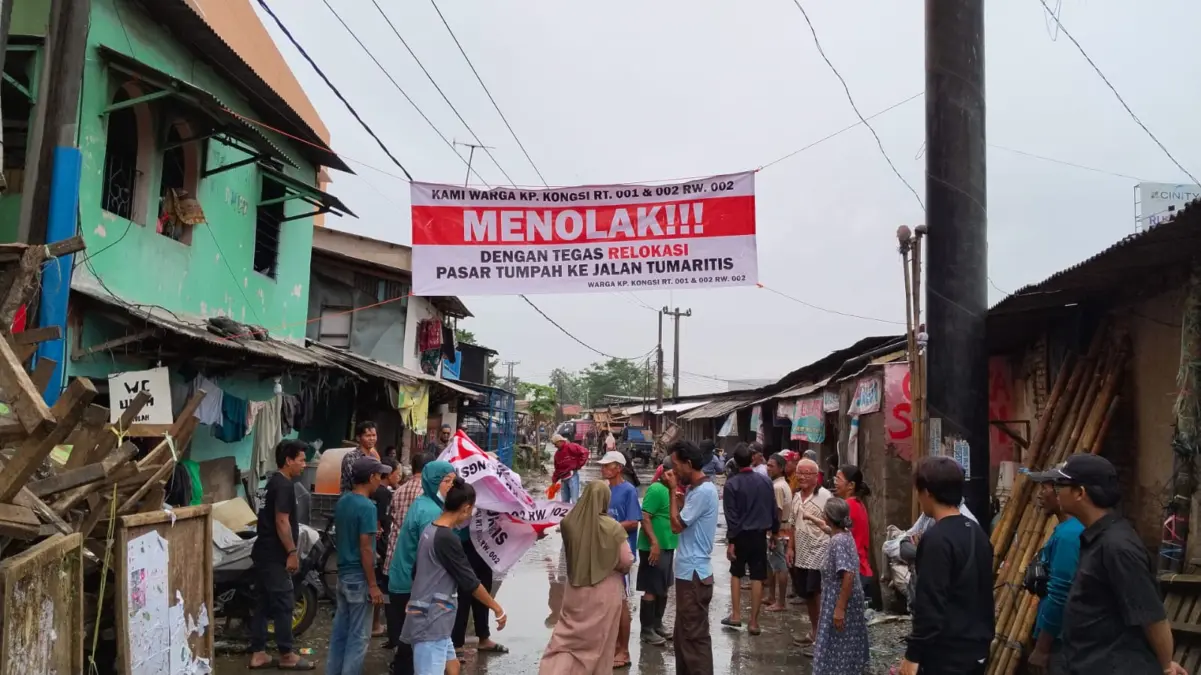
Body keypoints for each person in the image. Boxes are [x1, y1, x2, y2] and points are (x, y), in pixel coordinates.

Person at [1048, 454, 1187, 675]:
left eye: (1061, 485)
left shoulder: (1117, 547)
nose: (1056, 491)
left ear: (1080, 493)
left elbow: (1151, 615)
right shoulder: (1097, 539)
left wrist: (1166, 665)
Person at [401, 478, 506, 675]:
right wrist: (496, 608)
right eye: (472, 509)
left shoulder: (431, 529)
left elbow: (417, 570)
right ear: (466, 509)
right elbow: (470, 581)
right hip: (431, 622)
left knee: (453, 667)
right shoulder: (447, 538)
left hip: (434, 617)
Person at [900, 457, 993, 675]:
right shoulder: (977, 532)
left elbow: (930, 603)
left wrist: (913, 654)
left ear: (927, 492)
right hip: (977, 646)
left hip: (947, 653)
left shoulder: (937, 539)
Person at [539, 480, 636, 674]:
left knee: (567, 638)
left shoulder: (569, 523)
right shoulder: (612, 527)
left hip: (575, 588)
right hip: (604, 592)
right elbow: (626, 560)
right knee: (599, 642)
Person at [248, 440, 315, 670]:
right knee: (285, 602)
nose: (304, 465)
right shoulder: (285, 486)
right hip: (275, 554)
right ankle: (286, 654)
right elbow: (281, 521)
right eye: (301, 459)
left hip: (263, 552)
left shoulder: (270, 483)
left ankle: (259, 653)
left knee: (263, 603)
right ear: (288, 460)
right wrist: (292, 552)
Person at [388, 460, 456, 675]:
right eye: (447, 481)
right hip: (412, 586)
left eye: (454, 481)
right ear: (433, 482)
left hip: (404, 581)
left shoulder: (425, 502)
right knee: (418, 647)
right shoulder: (431, 512)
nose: (451, 486)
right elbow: (430, 556)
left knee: (409, 644)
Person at [327, 457, 391, 675]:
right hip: (359, 577)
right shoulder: (367, 507)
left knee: (340, 635)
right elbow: (365, 548)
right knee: (358, 638)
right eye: (380, 476)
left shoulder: (344, 501)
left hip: (343, 574)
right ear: (372, 477)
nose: (381, 481)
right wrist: (373, 585)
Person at [1024, 462, 1085, 675]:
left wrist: (1042, 648)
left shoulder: (1070, 535)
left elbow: (1060, 594)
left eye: (1046, 488)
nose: (1040, 495)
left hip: (1063, 641)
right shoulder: (1068, 530)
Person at [666, 440, 719, 674]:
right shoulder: (696, 489)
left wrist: (670, 490)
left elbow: (677, 526)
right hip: (691, 573)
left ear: (689, 464)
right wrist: (678, 494)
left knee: (693, 639)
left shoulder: (703, 491)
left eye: (676, 465)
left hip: (694, 573)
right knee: (684, 637)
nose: (674, 470)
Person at [720, 443, 778, 635]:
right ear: (752, 458)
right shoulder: (765, 481)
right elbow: (772, 508)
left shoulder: (732, 484)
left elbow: (731, 516)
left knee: (736, 573)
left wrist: (732, 542)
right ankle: (754, 622)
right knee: (757, 576)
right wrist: (774, 533)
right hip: (759, 535)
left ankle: (736, 615)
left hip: (740, 535)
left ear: (735, 461)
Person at [812, 497, 869, 675]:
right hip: (845, 597)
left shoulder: (838, 542)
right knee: (845, 642)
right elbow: (829, 529)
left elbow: (848, 574)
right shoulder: (844, 534)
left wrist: (839, 608)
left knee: (836, 643)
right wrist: (811, 518)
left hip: (840, 598)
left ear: (829, 516)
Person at [384, 453, 429, 650]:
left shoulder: (398, 491)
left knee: (393, 606)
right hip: (414, 560)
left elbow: (392, 518)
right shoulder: (427, 496)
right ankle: (408, 649)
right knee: (414, 608)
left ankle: (395, 642)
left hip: (394, 554)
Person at [600, 450, 641, 666]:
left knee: (621, 602)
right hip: (606, 551)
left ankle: (623, 651)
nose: (604, 468)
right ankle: (614, 646)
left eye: (608, 466)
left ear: (619, 468)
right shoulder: (605, 489)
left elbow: (633, 521)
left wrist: (608, 527)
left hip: (622, 552)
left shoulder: (628, 491)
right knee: (610, 601)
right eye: (603, 465)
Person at [789, 457, 833, 652]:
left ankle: (822, 639)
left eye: (807, 473)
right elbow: (792, 524)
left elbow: (832, 527)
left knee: (818, 595)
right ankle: (814, 632)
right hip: (802, 555)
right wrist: (790, 548)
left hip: (820, 554)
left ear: (816, 476)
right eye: (800, 473)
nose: (802, 477)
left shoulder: (825, 497)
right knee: (807, 595)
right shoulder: (796, 496)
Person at [637, 457, 677, 646]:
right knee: (651, 588)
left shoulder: (671, 491)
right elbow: (645, 517)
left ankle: (657, 624)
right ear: (665, 473)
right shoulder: (655, 489)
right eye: (672, 473)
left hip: (667, 545)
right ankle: (647, 630)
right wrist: (653, 542)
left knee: (664, 586)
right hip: (653, 548)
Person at [834, 465, 877, 609]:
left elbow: (836, 533)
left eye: (838, 479)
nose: (834, 482)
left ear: (850, 485)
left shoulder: (848, 506)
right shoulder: (858, 503)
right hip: (861, 567)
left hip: (853, 570)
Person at [372, 457, 401, 640]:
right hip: (382, 544)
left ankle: (376, 623)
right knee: (383, 586)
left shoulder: (381, 491)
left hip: (380, 542)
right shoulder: (383, 494)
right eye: (397, 473)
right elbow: (382, 520)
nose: (399, 477)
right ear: (388, 474)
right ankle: (376, 624)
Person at [764, 453, 793, 612]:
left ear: (780, 469)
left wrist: (774, 533)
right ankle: (771, 597)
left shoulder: (777, 487)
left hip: (779, 531)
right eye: (767, 465)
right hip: (779, 529)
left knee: (780, 566)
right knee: (772, 563)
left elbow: (778, 511)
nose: (768, 468)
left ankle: (780, 602)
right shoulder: (780, 484)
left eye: (771, 466)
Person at [340, 421, 380, 493]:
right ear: (358, 438)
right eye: (368, 436)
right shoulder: (351, 457)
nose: (372, 438)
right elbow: (355, 482)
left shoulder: (374, 457)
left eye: (374, 435)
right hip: (351, 497)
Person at [551, 434, 590, 504]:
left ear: (560, 441)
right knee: (564, 502)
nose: (555, 446)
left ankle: (576, 514)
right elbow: (557, 469)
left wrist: (578, 465)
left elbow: (585, 452)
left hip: (572, 476)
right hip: (563, 479)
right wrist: (554, 481)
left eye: (555, 444)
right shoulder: (557, 454)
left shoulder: (571, 446)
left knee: (574, 501)